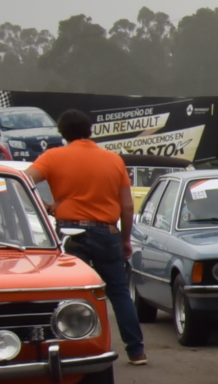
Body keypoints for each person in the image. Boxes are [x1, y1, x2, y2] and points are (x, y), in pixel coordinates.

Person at [26, 110, 145, 366]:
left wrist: (48, 206)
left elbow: (24, 182)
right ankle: (136, 351)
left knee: (68, 292)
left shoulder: (53, 156)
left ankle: (71, 349)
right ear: (91, 130)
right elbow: (126, 207)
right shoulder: (113, 160)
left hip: (70, 231)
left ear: (62, 133)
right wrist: (125, 240)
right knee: (119, 292)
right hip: (106, 232)